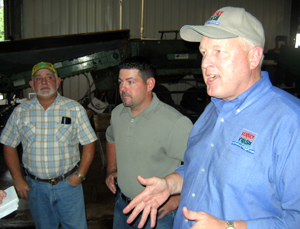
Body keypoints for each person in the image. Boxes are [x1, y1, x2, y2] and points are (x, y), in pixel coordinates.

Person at [123, 6, 300, 229]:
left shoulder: (290, 122)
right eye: (204, 53)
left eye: (219, 51)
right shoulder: (212, 109)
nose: (205, 63)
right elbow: (199, 167)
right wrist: (170, 184)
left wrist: (229, 227)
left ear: (253, 57)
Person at [0, 62, 97, 228]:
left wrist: (80, 175)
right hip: (36, 188)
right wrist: (17, 179)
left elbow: (89, 142)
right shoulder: (20, 112)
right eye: (38, 79)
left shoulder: (74, 109)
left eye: (49, 78)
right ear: (32, 84)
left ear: (58, 81)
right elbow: (9, 144)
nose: (44, 82)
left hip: (68, 185)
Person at [105, 56, 193, 229]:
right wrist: (111, 169)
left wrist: (176, 199)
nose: (123, 88)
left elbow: (199, 167)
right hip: (122, 206)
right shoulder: (117, 113)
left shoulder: (175, 123)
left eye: (131, 82)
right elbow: (111, 138)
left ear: (150, 84)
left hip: (156, 212)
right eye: (121, 82)